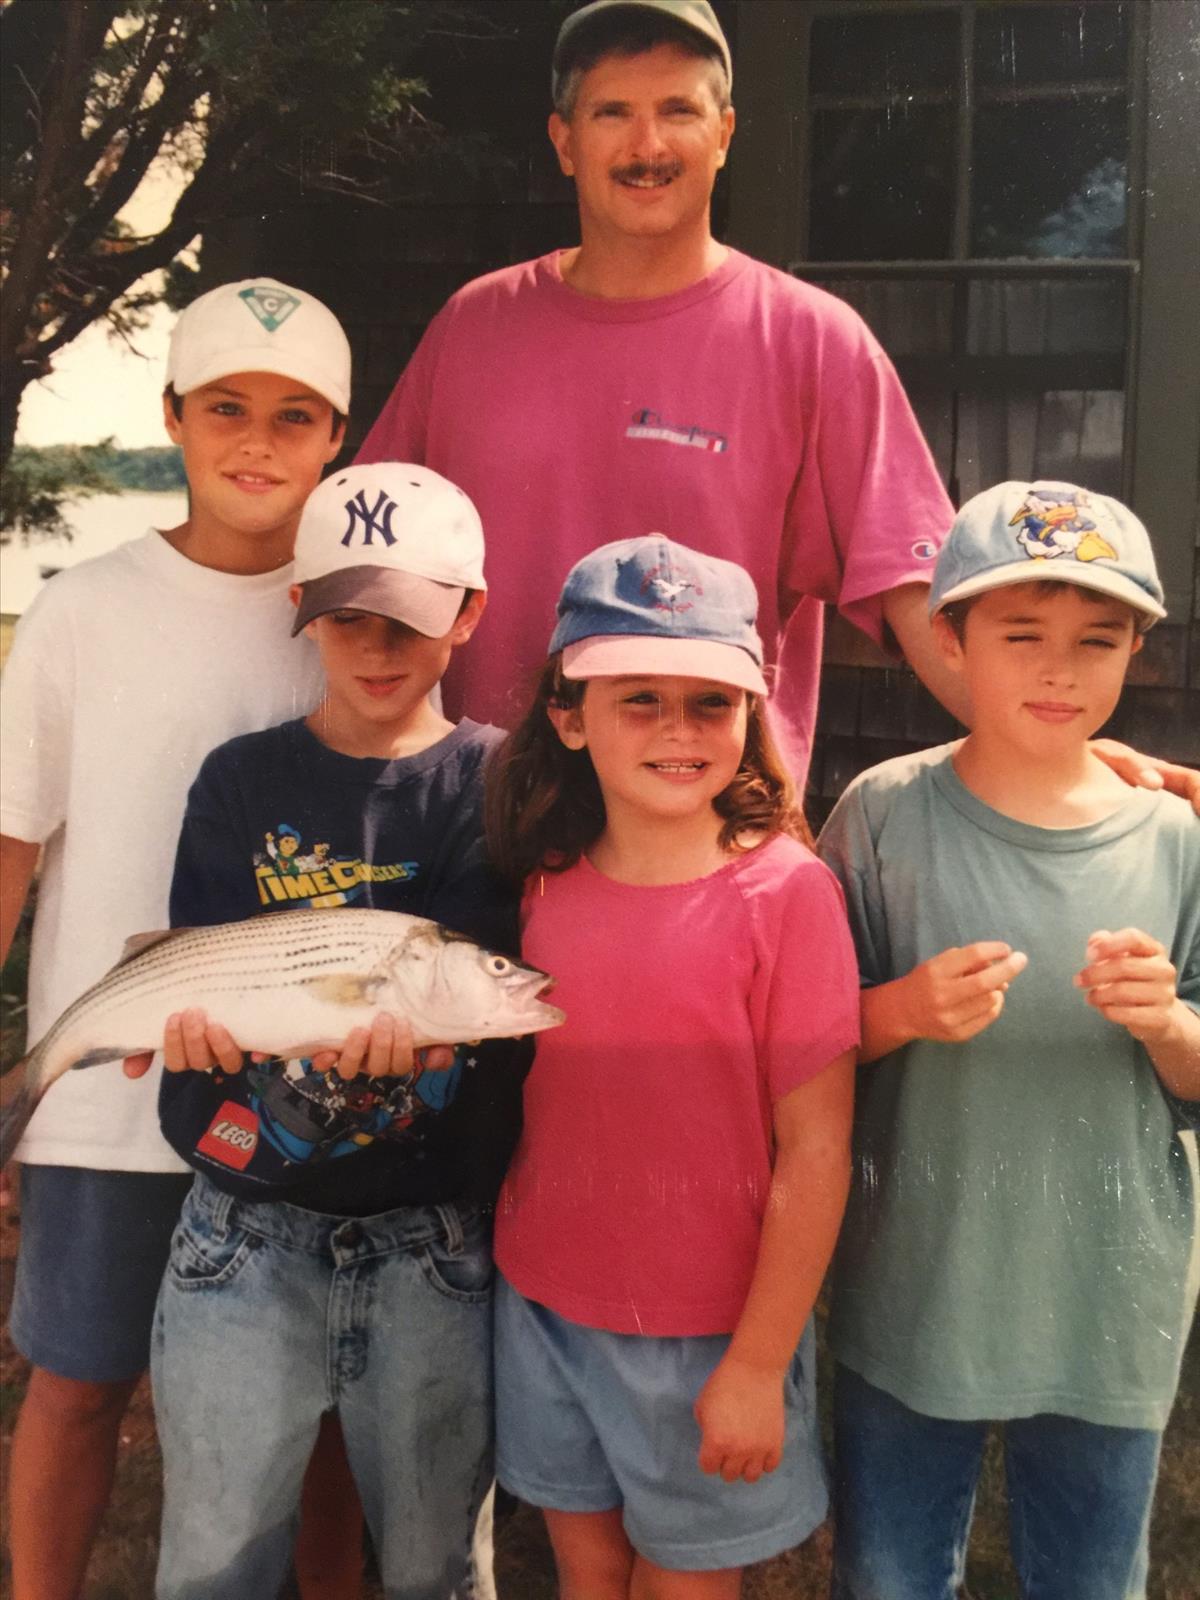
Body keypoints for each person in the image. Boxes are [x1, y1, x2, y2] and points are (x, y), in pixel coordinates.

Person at [356, 0, 1200, 815]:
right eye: (613, 112)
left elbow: (926, 600)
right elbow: (368, 562)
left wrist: (1062, 755)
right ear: (565, 141)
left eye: (678, 110)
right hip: (479, 835)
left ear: (723, 135)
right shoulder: (476, 325)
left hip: (707, 853)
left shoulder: (813, 342)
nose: (647, 144)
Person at [0, 277, 376, 1600]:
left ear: (338, 435)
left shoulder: (346, 623)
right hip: (104, 1090)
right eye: (226, 408)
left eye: (293, 415)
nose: (258, 442)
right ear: (172, 417)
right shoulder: (78, 611)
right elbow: (11, 842)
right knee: (78, 1381)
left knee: (321, 1409)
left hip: (293, 1092)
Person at [133, 461, 526, 1599]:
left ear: (468, 612)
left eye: (404, 615)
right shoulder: (237, 778)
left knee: (437, 1570)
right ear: (302, 610)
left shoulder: (500, 783)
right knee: (212, 1563)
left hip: (434, 1247)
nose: (375, 643)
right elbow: (192, 971)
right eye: (345, 613)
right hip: (241, 1237)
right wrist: (191, 1037)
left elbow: (492, 994)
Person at [816, 481, 1200, 1599]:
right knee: (889, 1574)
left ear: (1138, 648)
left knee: (1090, 1579)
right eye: (1020, 634)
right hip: (914, 1290)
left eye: (1096, 640)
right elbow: (797, 1045)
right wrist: (900, 1010)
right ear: (949, 639)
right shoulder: (884, 815)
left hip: (1108, 1301)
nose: (1057, 670)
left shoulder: (1175, 840)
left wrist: (1169, 1020)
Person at [485, 534, 861, 1596]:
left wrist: (755, 1362)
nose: (679, 730)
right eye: (637, 698)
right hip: (545, 1303)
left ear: (752, 714)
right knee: (586, 1574)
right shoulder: (541, 883)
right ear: (569, 714)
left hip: (711, 1329)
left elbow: (818, 1149)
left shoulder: (787, 897)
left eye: (711, 702)